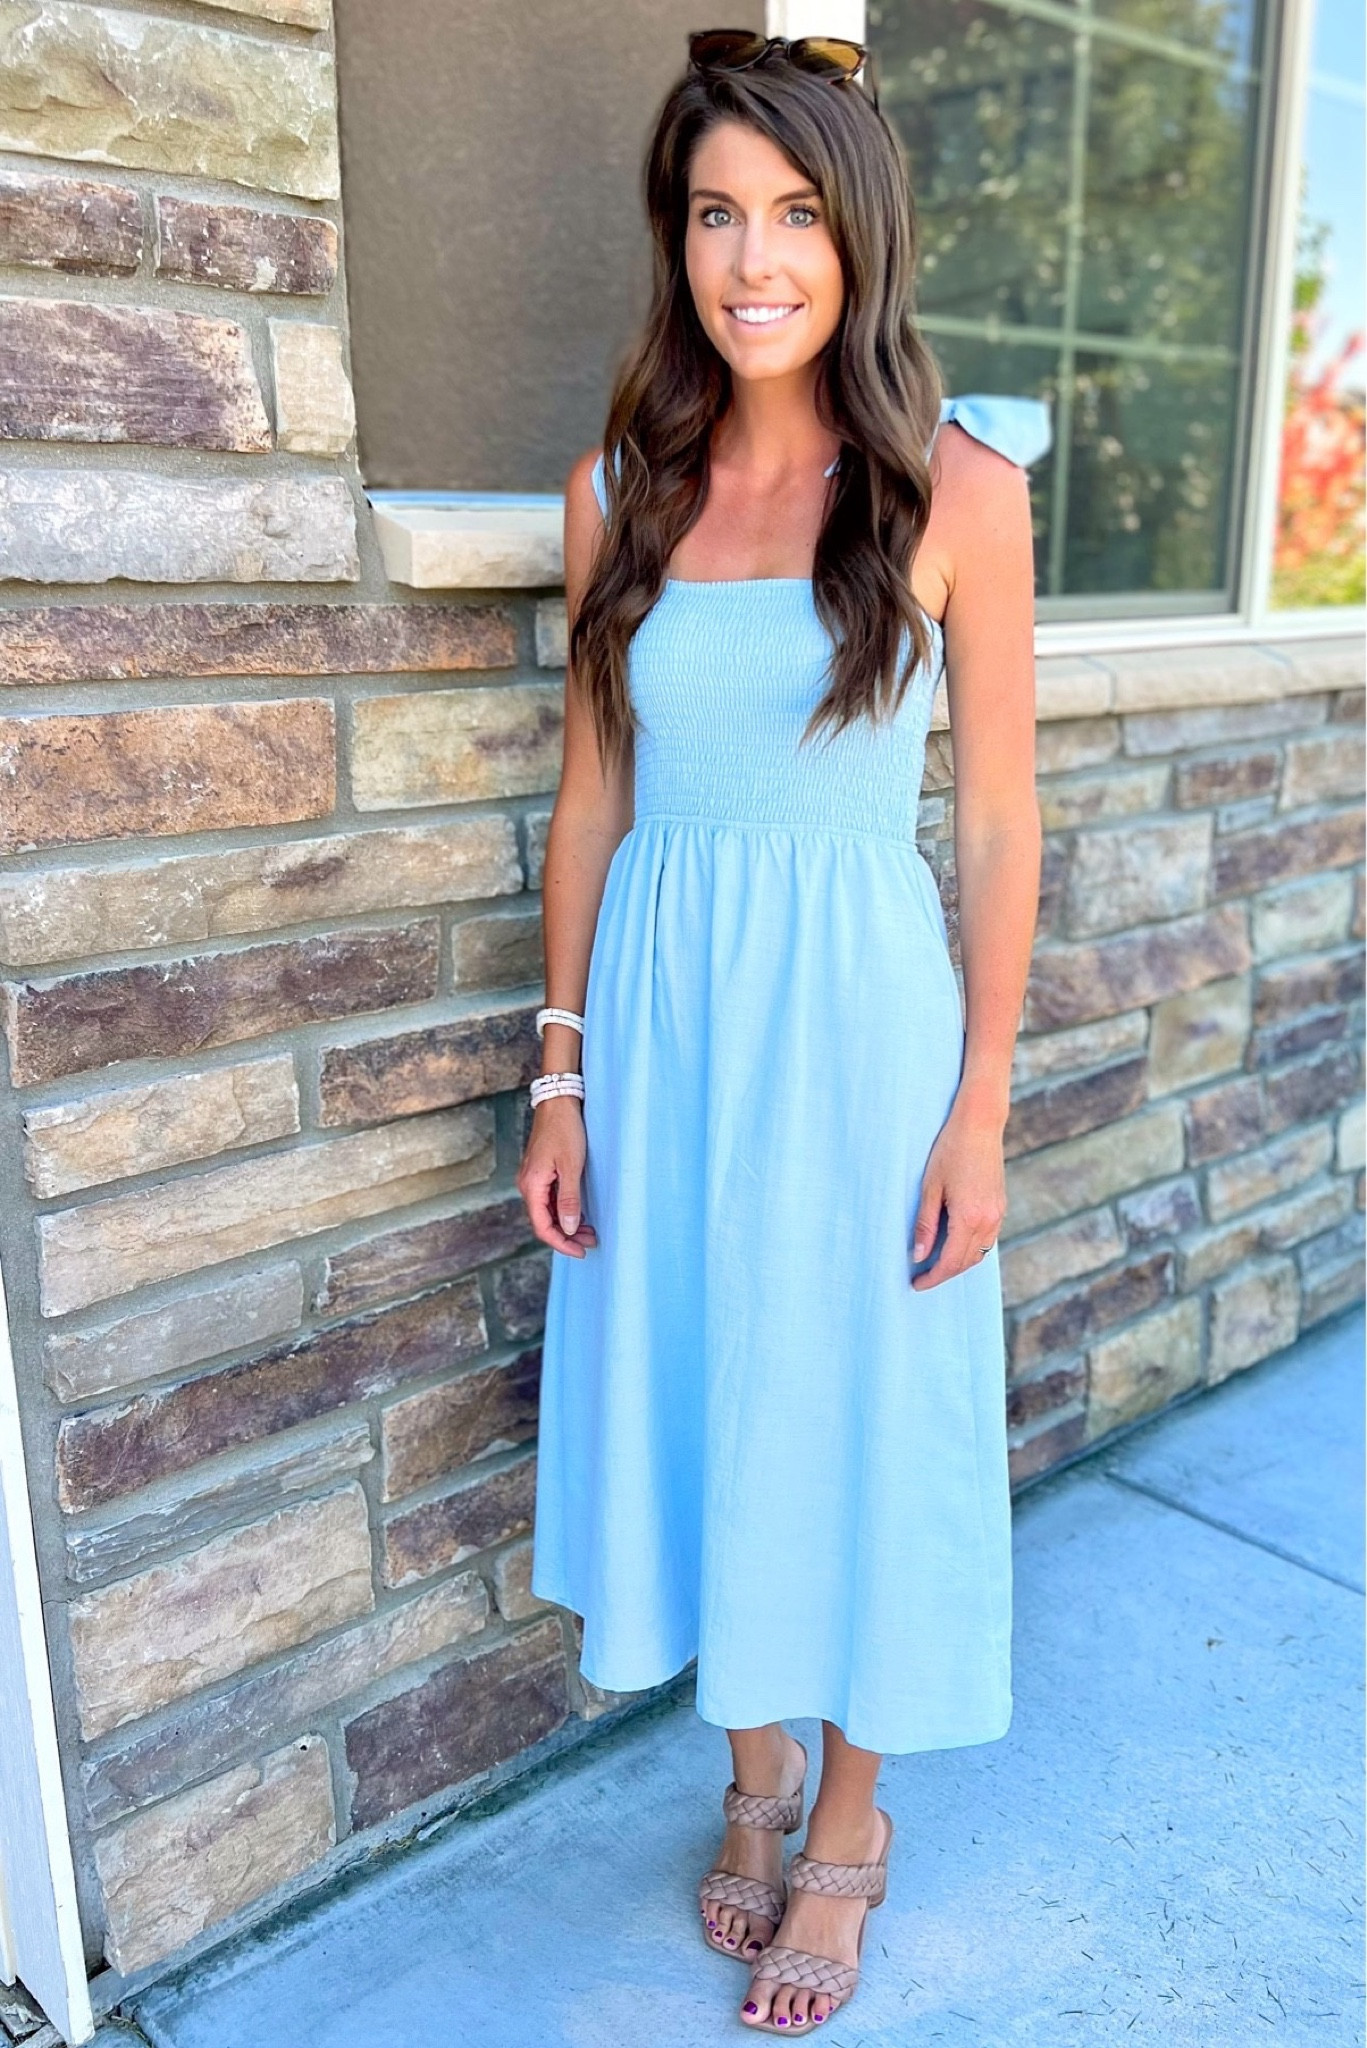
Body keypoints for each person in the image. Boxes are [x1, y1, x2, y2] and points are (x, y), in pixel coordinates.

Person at [516, 28, 1048, 2034]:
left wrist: (980, 1102)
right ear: (681, 240)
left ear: (861, 236)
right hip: (661, 1030)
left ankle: (850, 1821)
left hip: (860, 1029)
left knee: (862, 1406)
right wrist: (558, 1066)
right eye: (718, 214)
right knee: (703, 1386)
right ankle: (747, 1771)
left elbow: (997, 822)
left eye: (798, 215)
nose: (755, 260)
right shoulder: (615, 489)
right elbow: (591, 798)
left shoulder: (955, 490)